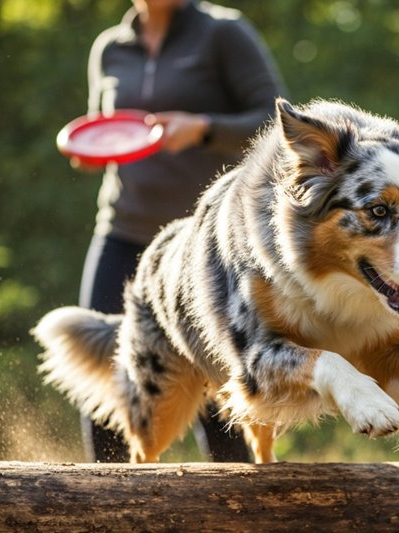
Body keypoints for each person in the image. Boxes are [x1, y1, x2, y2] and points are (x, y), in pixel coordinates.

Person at [75, 0, 286, 462]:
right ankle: (105, 510)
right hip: (124, 229)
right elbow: (105, 129)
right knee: (118, 376)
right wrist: (90, 151)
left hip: (206, 248)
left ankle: (238, 520)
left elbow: (277, 124)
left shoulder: (224, 33)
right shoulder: (109, 48)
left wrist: (204, 129)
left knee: (221, 384)